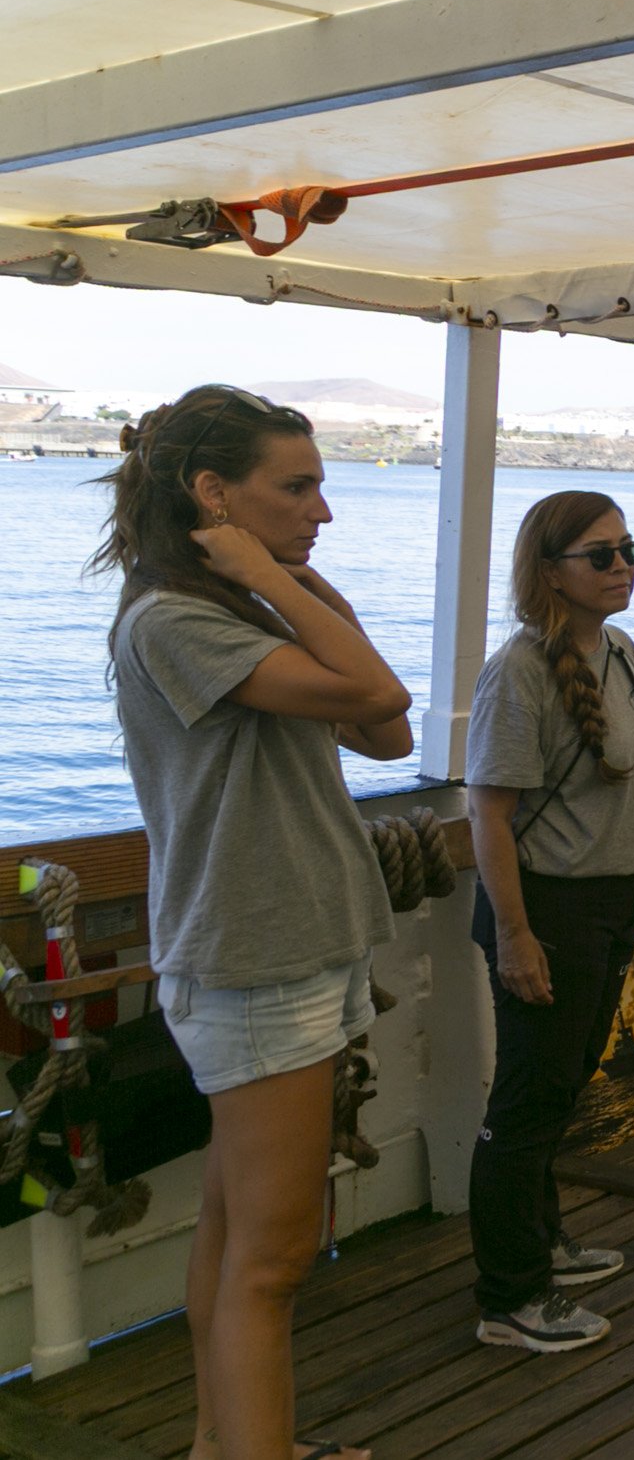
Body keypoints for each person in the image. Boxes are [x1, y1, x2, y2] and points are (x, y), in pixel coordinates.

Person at [94, 385, 408, 1460]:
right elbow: (379, 685)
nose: (323, 508)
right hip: (253, 961)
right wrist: (276, 578)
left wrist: (292, 584)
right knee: (271, 1263)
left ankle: (219, 1444)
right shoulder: (174, 619)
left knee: (236, 1234)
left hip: (289, 950)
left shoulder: (235, 610)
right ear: (213, 494)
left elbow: (386, 728)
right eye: (299, 486)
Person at [463, 492, 634, 1353]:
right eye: (600, 554)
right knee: (527, 1102)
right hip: (547, 909)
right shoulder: (518, 670)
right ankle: (509, 1296)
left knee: (564, 1085)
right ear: (549, 570)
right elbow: (489, 813)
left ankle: (544, 1240)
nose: (621, 566)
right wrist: (516, 935)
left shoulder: (618, 650)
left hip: (607, 900)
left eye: (629, 549)